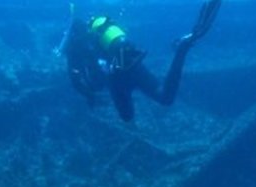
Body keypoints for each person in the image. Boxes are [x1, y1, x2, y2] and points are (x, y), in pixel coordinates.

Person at [59, 0, 221, 122]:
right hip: (132, 63)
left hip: (117, 79)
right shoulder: (98, 36)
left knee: (127, 117)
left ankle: (180, 50)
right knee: (165, 98)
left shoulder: (75, 49)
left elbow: (77, 80)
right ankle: (181, 49)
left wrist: (89, 95)